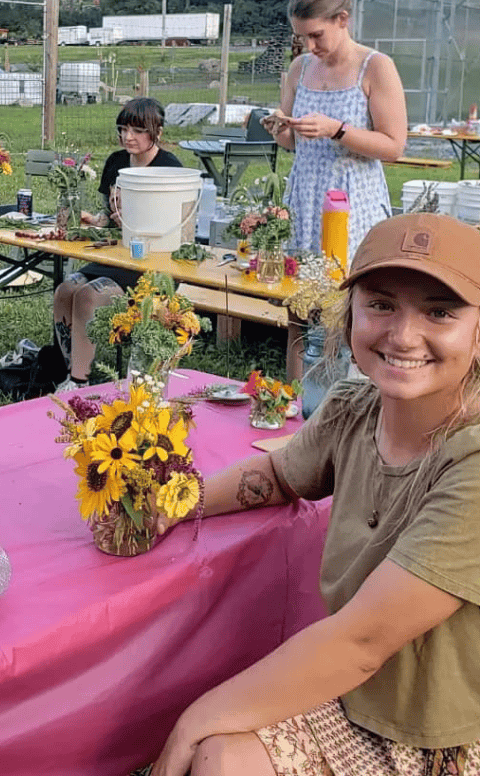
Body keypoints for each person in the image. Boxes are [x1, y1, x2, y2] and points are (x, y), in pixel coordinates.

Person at [136, 212, 480, 776]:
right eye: (381, 304)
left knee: (211, 746)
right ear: (351, 318)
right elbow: (278, 476)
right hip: (353, 698)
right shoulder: (353, 408)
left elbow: (362, 641)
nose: (402, 335)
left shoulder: (471, 462)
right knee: (221, 758)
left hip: (440, 742)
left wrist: (195, 718)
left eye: (439, 312)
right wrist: (176, 501)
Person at [261, 0, 408, 378]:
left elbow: (394, 145)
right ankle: (293, 399)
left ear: (342, 20)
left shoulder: (375, 68)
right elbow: (292, 144)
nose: (309, 46)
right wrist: (282, 128)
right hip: (305, 197)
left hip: (351, 202)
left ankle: (347, 399)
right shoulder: (299, 69)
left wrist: (337, 129)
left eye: (316, 36)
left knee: (347, 307)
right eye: (301, 37)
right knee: (299, 303)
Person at [53, 98, 183, 391]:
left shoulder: (168, 168)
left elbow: (173, 232)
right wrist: (90, 219)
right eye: (123, 129)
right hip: (115, 255)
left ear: (157, 132)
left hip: (150, 263)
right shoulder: (116, 161)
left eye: (138, 130)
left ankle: (79, 382)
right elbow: (107, 219)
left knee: (87, 295)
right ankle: (70, 369)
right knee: (65, 290)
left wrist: (131, 222)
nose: (128, 136)